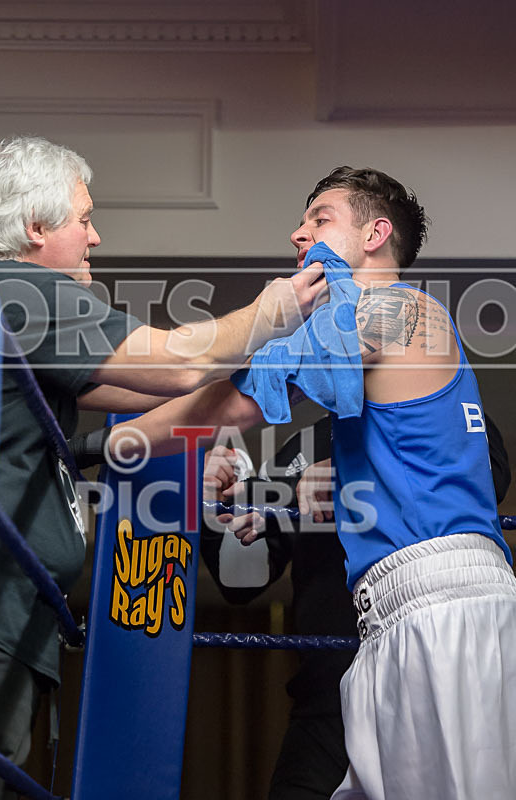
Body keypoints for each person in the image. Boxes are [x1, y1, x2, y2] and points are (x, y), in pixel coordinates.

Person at [105, 166, 516, 799]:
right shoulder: (377, 327)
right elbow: (231, 381)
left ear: (377, 234)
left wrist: (106, 439)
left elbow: (237, 396)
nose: (299, 234)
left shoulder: (397, 310)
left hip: (444, 604)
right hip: (390, 613)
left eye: (320, 219)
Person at [0, 135, 326, 799]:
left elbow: (150, 406)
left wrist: (263, 395)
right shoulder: (21, 289)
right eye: (83, 219)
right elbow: (175, 363)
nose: (95, 237)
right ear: (35, 229)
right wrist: (274, 312)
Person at [198, 409, 511, 800]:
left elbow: (489, 478)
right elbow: (242, 581)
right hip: (327, 701)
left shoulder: (437, 405)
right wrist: (213, 503)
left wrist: (352, 474)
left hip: (429, 674)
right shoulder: (304, 448)